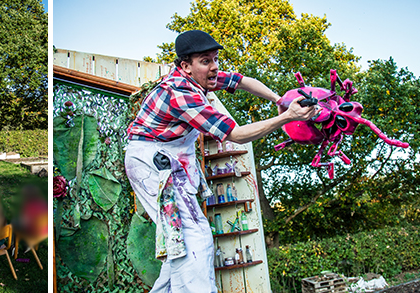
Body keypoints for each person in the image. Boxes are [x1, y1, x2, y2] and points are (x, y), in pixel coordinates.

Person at [124, 30, 318, 293]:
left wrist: (280, 101)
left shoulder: (202, 76)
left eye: (215, 59)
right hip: (149, 161)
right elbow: (236, 135)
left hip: (170, 156)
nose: (214, 66)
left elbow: (243, 81)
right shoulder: (181, 93)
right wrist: (287, 117)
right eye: (206, 60)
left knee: (180, 239)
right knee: (193, 237)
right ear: (185, 66)